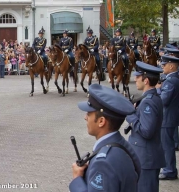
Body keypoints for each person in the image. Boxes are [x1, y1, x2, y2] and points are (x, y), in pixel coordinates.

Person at [69, 84, 141, 192]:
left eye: (89, 114)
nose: (85, 117)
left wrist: (77, 179)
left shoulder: (102, 163)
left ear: (101, 121)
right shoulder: (122, 145)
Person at [126, 61, 165, 192]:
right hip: (146, 157)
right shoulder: (149, 98)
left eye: (138, 77)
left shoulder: (148, 102)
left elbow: (147, 131)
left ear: (146, 80)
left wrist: (131, 116)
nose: (135, 79)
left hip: (146, 159)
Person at [156, 55, 179, 180]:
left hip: (168, 117)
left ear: (171, 66)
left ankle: (169, 170)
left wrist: (158, 91)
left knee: (167, 145)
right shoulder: (173, 78)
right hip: (171, 116)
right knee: (167, 144)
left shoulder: (170, 80)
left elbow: (164, 100)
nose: (162, 66)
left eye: (164, 65)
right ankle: (169, 169)